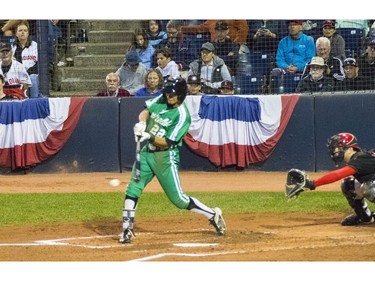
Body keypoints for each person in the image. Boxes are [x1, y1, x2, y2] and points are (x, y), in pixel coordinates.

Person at [119, 77, 226, 244]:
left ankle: (212, 214)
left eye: (172, 94)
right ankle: (127, 229)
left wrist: (149, 136)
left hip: (165, 157)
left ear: (181, 95)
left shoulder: (183, 116)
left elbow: (170, 142)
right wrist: (141, 122)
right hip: (147, 153)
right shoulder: (162, 98)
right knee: (133, 188)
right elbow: (146, 110)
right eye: (167, 93)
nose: (168, 97)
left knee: (179, 200)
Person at [296, 132, 375, 226]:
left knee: (369, 187)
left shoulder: (361, 159)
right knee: (349, 184)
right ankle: (364, 216)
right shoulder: (360, 158)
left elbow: (337, 174)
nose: (336, 150)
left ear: (350, 148)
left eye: (339, 147)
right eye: (335, 148)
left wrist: (312, 183)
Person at [11, 22, 39, 98]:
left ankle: (34, 101)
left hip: (33, 74)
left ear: (28, 33)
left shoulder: (35, 45)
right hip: (18, 75)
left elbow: (38, 64)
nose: (23, 32)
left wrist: (26, 74)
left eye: (25, 30)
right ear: (16, 34)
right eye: (20, 30)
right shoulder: (12, 48)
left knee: (33, 78)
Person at [180, 20, 249, 45]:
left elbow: (244, 27)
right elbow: (200, 28)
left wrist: (238, 43)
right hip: (215, 47)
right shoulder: (211, 20)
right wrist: (182, 29)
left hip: (232, 47)